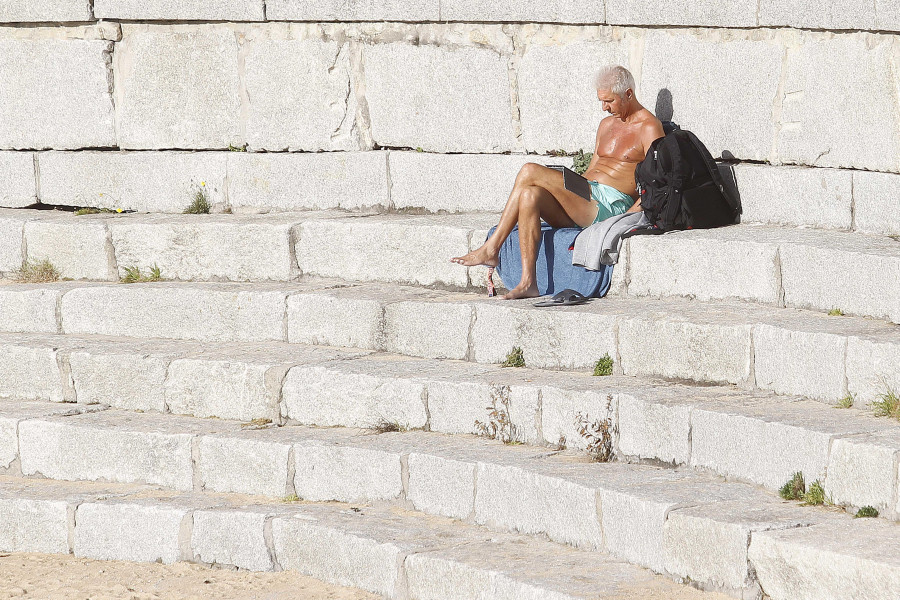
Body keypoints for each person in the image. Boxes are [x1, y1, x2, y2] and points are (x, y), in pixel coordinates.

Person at [451, 65, 665, 299]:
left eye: (609, 101)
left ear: (629, 94)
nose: (604, 108)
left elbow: (657, 182)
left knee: (529, 170)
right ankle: (527, 282)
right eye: (601, 101)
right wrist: (571, 186)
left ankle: (492, 247)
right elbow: (593, 169)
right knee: (529, 195)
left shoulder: (649, 127)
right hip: (587, 196)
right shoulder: (606, 125)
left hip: (610, 205)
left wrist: (624, 220)